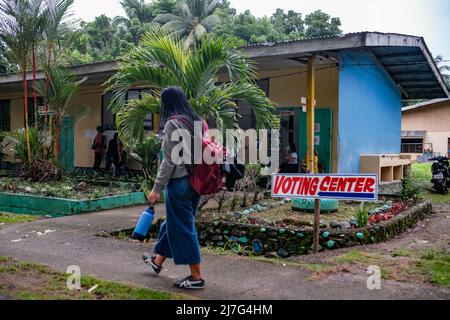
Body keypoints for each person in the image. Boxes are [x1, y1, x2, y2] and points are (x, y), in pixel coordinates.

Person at [143, 86, 205, 290]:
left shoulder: (173, 124)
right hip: (198, 182)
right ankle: (157, 261)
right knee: (175, 223)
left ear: (166, 103)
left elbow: (168, 161)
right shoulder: (199, 121)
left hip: (179, 183)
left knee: (184, 228)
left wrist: (156, 188)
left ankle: (196, 277)